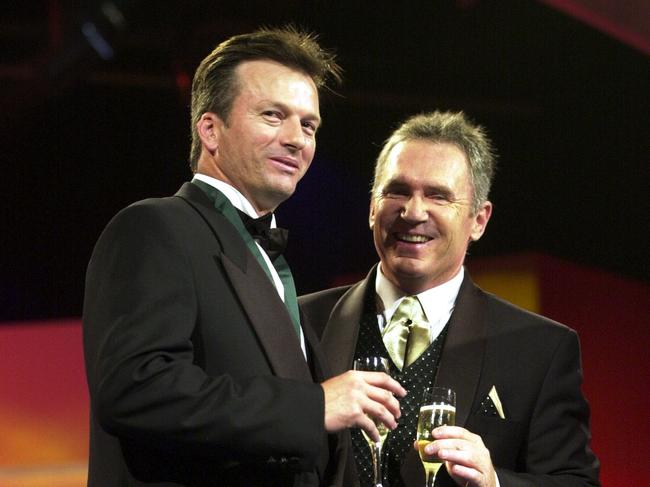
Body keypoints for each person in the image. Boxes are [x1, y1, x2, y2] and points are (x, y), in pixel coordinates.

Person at [83, 26, 405, 487]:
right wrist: (316, 406)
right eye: (274, 116)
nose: (297, 139)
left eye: (308, 125)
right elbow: (137, 389)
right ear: (211, 130)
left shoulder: (267, 254)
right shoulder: (154, 227)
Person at [299, 111, 600, 487]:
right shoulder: (297, 320)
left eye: (438, 196)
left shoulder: (540, 348)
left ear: (479, 220)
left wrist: (495, 483)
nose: (413, 212)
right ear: (372, 206)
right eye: (397, 191)